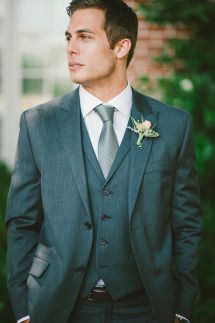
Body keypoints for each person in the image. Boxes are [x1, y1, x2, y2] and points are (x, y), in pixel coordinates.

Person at [6, 0, 202, 322]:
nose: (71, 48)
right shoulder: (37, 124)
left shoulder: (172, 125)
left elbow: (187, 224)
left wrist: (182, 307)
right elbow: (21, 223)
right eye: (68, 38)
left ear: (121, 47)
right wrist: (24, 311)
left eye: (84, 37)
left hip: (147, 308)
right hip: (57, 308)